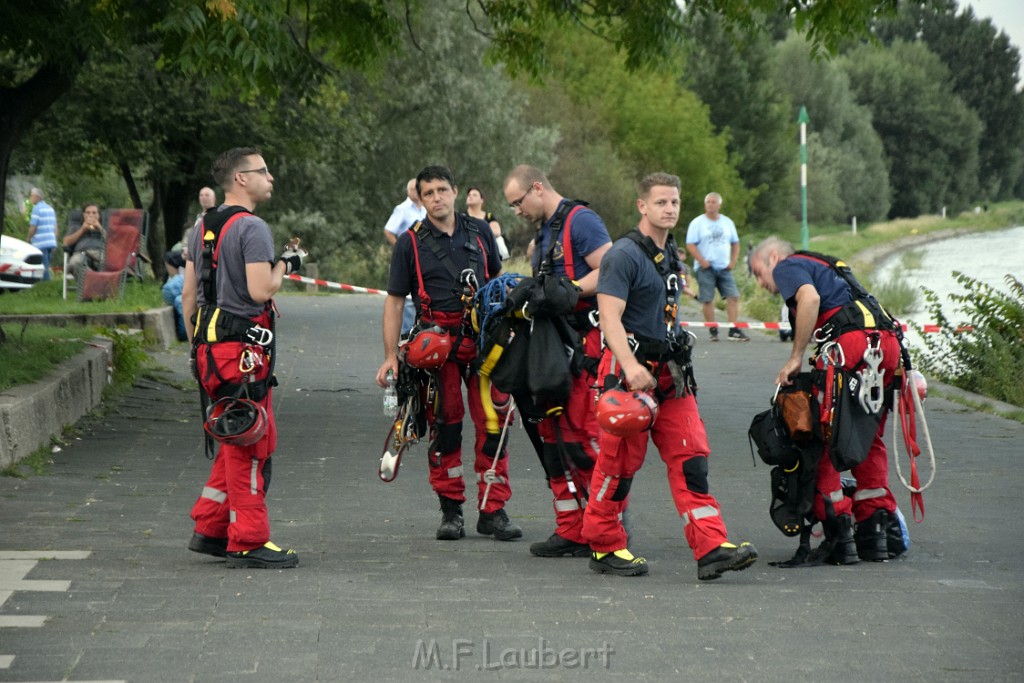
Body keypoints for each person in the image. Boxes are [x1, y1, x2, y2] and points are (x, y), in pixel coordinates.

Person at [582, 172, 758, 580]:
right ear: (642, 206)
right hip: (629, 374)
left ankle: (711, 546)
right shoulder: (623, 255)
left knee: (691, 456)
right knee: (619, 465)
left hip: (672, 374)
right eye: (661, 202)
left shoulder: (670, 253)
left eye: (675, 202)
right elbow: (608, 318)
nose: (670, 209)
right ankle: (604, 545)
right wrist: (629, 366)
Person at [375, 165, 520, 542]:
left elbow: (498, 285)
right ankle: (450, 510)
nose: (437, 198)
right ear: (419, 199)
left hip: (485, 344)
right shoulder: (410, 242)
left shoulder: (481, 231)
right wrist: (391, 356)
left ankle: (493, 509)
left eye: (442, 190)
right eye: (429, 193)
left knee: (495, 424)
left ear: (455, 192)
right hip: (437, 350)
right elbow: (393, 303)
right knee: (446, 424)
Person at [182, 146, 302, 569]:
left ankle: (211, 529)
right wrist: (286, 264)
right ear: (240, 179)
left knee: (231, 432)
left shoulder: (202, 228)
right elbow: (259, 290)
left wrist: (196, 347)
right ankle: (249, 539)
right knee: (250, 440)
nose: (271, 177)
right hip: (243, 352)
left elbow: (188, 296)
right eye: (263, 171)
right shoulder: (253, 228)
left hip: (210, 349)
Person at [749, 236, 903, 564]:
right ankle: (873, 531)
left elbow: (809, 298)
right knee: (867, 437)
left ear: (772, 257)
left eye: (758, 272)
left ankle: (839, 531)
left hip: (847, 344)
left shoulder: (788, 266)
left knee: (822, 438)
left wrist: (795, 357)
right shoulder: (830, 265)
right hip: (887, 345)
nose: (761, 282)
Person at [502, 165, 612, 558]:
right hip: (550, 344)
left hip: (582, 344)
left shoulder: (581, 222)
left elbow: (613, 269)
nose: (516, 210)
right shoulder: (545, 230)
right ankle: (570, 527)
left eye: (518, 202)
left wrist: (571, 290)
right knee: (551, 438)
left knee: (581, 440)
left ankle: (604, 528)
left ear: (537, 188)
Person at [685, 192, 749, 342]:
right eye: (708, 202)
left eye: (714, 202)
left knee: (733, 296)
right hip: (705, 267)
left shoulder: (727, 222)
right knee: (707, 299)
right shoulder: (697, 223)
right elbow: (690, 244)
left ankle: (733, 329)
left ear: (719, 205)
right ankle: (712, 329)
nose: (710, 205)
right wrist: (702, 260)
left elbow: (735, 242)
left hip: (724, 266)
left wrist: (733, 261)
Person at [384, 178, 427, 336]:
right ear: (408, 191)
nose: (416, 192)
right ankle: (405, 334)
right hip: (408, 258)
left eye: (418, 189)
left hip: (423, 258)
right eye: (414, 189)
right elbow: (389, 230)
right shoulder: (402, 209)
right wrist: (399, 248)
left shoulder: (424, 209)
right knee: (405, 299)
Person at [166, 187, 217, 279]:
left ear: (214, 198)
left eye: (207, 195)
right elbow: (190, 235)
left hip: (206, 253)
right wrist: (185, 248)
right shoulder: (199, 218)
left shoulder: (217, 216)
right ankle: (178, 283)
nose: (203, 197)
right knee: (170, 257)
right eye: (201, 195)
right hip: (192, 252)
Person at [465, 187, 509, 260]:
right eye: (469, 195)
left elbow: (496, 232)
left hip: (487, 252)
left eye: (474, 195)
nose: (470, 196)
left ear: (481, 200)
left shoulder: (489, 216)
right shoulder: (462, 216)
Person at [63, 203, 105, 274]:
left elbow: (113, 242)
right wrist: (82, 230)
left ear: (99, 215)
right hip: (82, 253)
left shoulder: (104, 226)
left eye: (94, 213)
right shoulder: (76, 226)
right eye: (87, 213)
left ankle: (96, 281)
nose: (91, 215)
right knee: (75, 263)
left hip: (100, 253)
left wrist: (100, 228)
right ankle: (93, 281)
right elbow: (66, 242)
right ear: (83, 215)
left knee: (110, 264)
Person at [27, 188, 58, 281]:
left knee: (43, 267)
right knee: (46, 264)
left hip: (40, 242)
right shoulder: (50, 209)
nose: (30, 198)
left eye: (31, 196)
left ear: (37, 197)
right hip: (51, 241)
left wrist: (28, 238)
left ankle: (46, 286)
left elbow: (33, 227)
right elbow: (55, 227)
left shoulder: (36, 209)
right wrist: (54, 239)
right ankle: (44, 284)